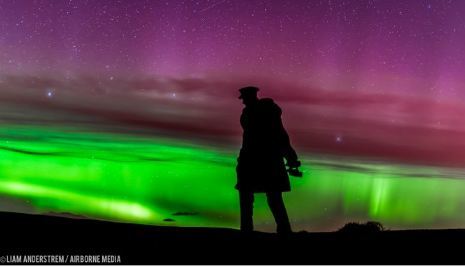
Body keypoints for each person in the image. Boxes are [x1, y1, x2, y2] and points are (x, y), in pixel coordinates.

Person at [235, 86, 301, 234]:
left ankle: (282, 230)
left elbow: (280, 135)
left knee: (270, 198)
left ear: (251, 97)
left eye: (244, 98)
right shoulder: (250, 113)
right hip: (256, 160)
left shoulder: (264, 112)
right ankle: (280, 230)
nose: (243, 101)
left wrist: (290, 156)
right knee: (265, 197)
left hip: (261, 160)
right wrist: (290, 157)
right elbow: (281, 135)